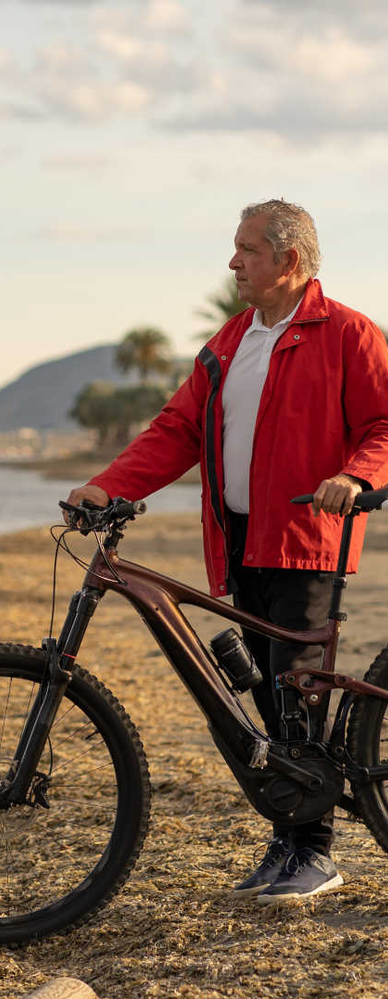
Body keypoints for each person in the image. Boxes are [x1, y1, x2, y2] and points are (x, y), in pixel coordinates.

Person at [65, 199, 388, 903]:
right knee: (264, 706)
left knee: (295, 695)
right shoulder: (231, 340)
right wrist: (105, 485)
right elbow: (176, 429)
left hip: (307, 538)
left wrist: (354, 476)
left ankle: (318, 853)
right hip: (239, 537)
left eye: (247, 250)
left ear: (290, 261)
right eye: (235, 249)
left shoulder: (348, 334)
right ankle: (286, 840)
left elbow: (385, 424)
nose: (233, 262)